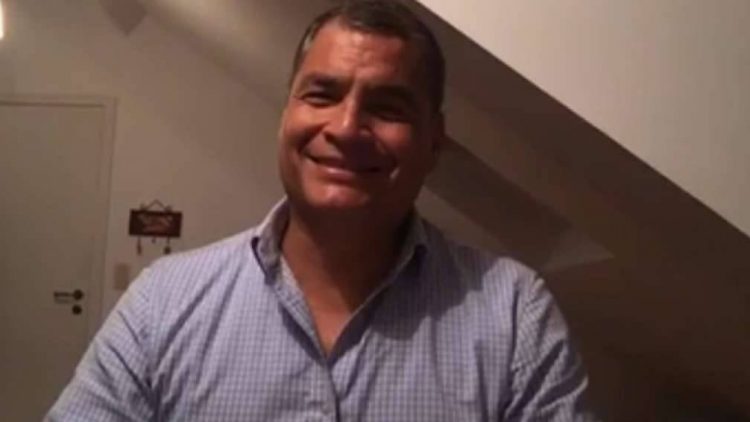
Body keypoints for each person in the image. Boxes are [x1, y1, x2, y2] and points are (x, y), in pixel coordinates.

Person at [47, 1, 595, 420]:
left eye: (387, 106)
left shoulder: (514, 313)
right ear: (286, 113)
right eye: (322, 95)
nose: (346, 128)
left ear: (434, 141)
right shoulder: (162, 302)